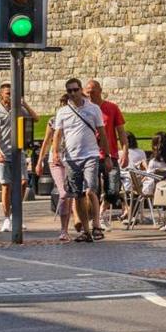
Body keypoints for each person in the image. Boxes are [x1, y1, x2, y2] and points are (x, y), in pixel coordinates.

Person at [49, 78, 105, 242]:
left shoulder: (93, 109)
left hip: (90, 155)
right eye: (70, 91)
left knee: (90, 190)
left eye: (75, 89)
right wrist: (55, 153)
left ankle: (96, 225)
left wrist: (107, 156)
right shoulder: (63, 112)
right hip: (71, 158)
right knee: (78, 195)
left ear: (81, 90)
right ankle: (86, 231)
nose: (73, 93)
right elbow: (58, 134)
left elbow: (102, 133)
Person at [0, 85, 33, 234]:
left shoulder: (18, 111)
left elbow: (35, 118)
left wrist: (24, 103)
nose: (10, 96)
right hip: (4, 153)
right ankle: (6, 217)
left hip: (18, 154)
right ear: (2, 95)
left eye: (12, 94)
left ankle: (16, 213)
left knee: (23, 182)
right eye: (8, 94)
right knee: (6, 186)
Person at [85, 80, 126, 232]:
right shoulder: (85, 109)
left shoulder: (112, 108)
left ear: (100, 90)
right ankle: (97, 218)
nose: (90, 95)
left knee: (113, 189)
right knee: (92, 189)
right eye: (87, 92)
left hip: (111, 155)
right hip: (92, 155)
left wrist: (125, 150)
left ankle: (100, 213)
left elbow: (121, 131)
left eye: (93, 91)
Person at [42, 90, 78, 239]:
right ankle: (64, 229)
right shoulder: (52, 121)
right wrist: (39, 162)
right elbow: (46, 141)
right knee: (64, 193)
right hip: (55, 159)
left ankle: (67, 227)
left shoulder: (74, 119)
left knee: (72, 194)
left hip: (70, 158)